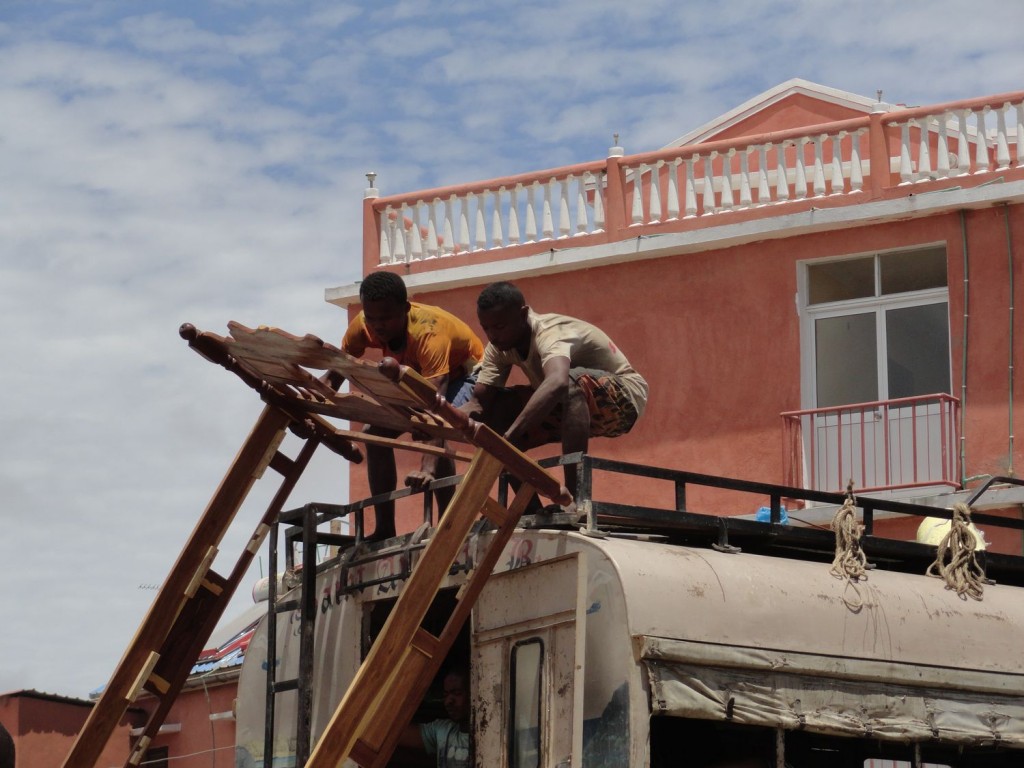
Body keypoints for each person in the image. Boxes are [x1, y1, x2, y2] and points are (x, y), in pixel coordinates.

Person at [459, 281, 648, 507]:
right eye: (486, 328)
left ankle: (575, 499)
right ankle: (528, 507)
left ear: (522, 314)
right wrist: (439, 417)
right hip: (570, 406)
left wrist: (509, 438)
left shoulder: (548, 332)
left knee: (568, 383)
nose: (492, 336)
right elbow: (478, 403)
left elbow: (558, 382)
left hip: (624, 400)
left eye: (499, 327)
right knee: (496, 411)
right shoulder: (497, 349)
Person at [341, 272, 484, 539]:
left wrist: (426, 469)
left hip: (464, 375)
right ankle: (384, 527)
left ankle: (447, 522)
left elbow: (435, 406)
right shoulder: (363, 325)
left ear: (405, 309)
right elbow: (341, 365)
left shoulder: (429, 332)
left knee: (436, 430)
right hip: (417, 377)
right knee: (374, 434)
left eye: (386, 318)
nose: (378, 326)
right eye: (372, 318)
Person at [398, 667, 471, 768]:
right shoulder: (444, 730)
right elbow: (400, 735)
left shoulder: (493, 738)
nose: (448, 701)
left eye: (457, 693)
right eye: (445, 695)